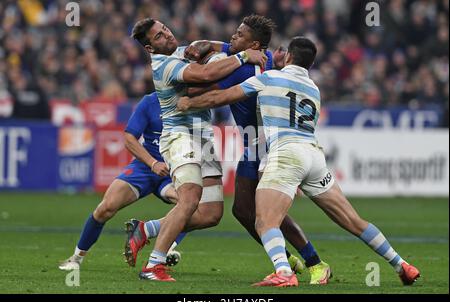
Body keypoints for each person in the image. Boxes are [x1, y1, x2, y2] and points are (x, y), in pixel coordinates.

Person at [177, 36, 421, 287]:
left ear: (290, 57)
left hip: (286, 154)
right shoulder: (314, 89)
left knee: (264, 221)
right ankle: (401, 264)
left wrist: (189, 102)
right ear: (311, 64)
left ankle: (283, 272)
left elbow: (222, 97)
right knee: (354, 221)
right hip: (314, 156)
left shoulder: (269, 78)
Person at [183, 15, 331, 284]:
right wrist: (211, 48)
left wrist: (182, 82)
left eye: (239, 35)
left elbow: (198, 89)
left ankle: (313, 262)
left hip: (264, 145)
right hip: (255, 145)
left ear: (253, 44)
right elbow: (221, 46)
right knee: (243, 210)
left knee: (266, 213)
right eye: (235, 32)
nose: (232, 37)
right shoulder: (270, 61)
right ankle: (288, 260)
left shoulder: (241, 69)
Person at [125, 18, 267, 281]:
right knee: (189, 199)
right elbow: (206, 75)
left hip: (204, 138)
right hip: (180, 138)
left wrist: (224, 47)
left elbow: (220, 49)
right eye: (158, 37)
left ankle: (147, 230)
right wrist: (246, 55)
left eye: (165, 29)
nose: (167, 35)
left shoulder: (180, 52)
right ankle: (154, 266)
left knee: (211, 213)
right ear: (149, 48)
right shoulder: (164, 65)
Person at [59, 93, 186, 271]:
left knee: (190, 204)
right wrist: (153, 163)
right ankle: (76, 258)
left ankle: (167, 247)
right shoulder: (150, 102)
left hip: (176, 170)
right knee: (106, 207)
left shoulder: (192, 101)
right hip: (147, 166)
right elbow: (129, 138)